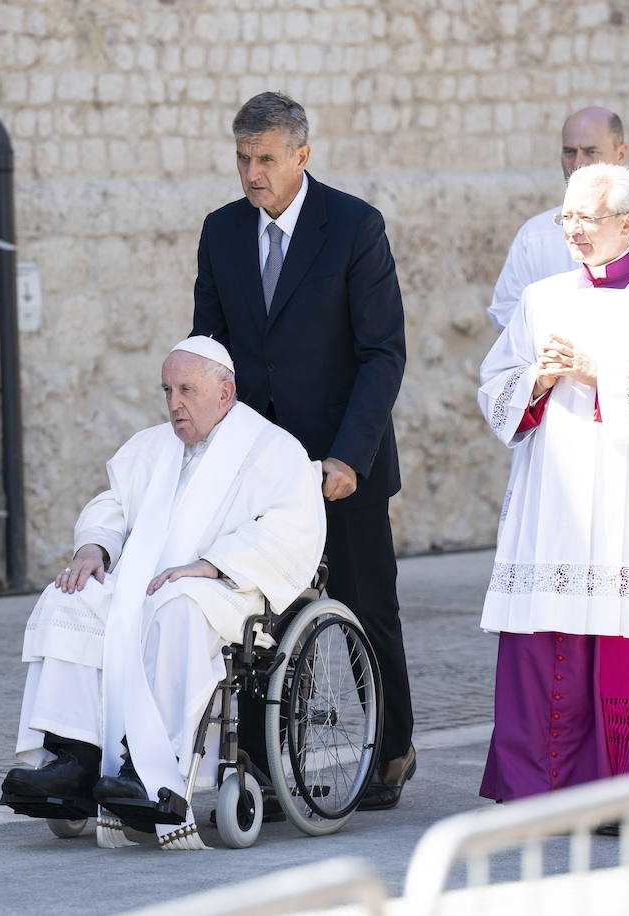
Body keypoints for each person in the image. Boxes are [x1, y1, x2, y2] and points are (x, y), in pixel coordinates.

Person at [2, 337, 325, 850]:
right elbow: (111, 506)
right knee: (70, 597)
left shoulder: (274, 450)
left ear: (225, 393)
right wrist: (94, 548)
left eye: (187, 390)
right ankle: (72, 759)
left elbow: (291, 531)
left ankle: (149, 768)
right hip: (139, 584)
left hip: (224, 591)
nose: (174, 403)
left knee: (177, 607)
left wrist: (212, 563)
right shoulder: (150, 446)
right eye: (168, 390)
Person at [478, 163, 629, 832]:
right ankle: (545, 790)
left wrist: (599, 373)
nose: (574, 231)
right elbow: (494, 383)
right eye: (566, 219)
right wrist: (537, 377)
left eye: (586, 219)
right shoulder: (542, 297)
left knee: (627, 644)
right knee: (548, 644)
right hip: (555, 505)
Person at [191, 92, 413, 810]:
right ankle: (259, 760)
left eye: (265, 159)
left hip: (342, 458)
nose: (251, 173)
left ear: (301, 157)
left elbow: (382, 353)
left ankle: (392, 751)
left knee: (366, 605)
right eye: (242, 158)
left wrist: (349, 456)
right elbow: (211, 351)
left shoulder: (353, 227)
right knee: (261, 612)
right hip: (257, 468)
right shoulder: (222, 232)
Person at [488, 106, 629, 332]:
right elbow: (505, 310)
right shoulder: (533, 235)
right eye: (570, 152)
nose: (578, 164)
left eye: (591, 152)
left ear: (620, 154)